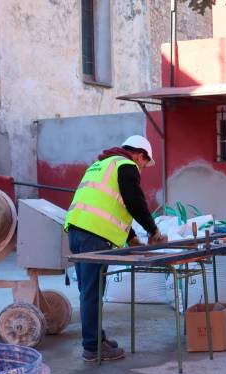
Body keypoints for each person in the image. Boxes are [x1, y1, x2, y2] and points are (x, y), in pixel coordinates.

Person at [64, 135, 168, 361]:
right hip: (94, 235)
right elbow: (134, 202)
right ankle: (92, 347)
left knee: (89, 291)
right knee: (92, 292)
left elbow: (109, 205)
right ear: (140, 155)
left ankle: (96, 338)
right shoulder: (126, 165)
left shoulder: (101, 164)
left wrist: (131, 238)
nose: (142, 168)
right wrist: (153, 231)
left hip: (77, 230)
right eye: (144, 163)